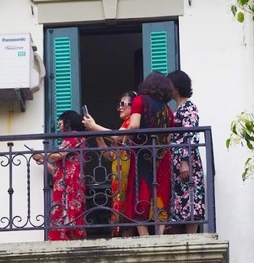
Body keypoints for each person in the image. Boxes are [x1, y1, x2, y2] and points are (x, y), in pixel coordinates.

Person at [125, 73, 175, 236]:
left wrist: (125, 136)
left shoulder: (140, 100)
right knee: (160, 192)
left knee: (140, 190)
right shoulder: (168, 110)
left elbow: (134, 125)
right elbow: (169, 137)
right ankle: (160, 234)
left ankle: (144, 235)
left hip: (142, 153)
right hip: (162, 155)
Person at [83, 91, 136, 236]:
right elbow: (109, 155)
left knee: (127, 210)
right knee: (122, 210)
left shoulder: (132, 121)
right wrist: (97, 135)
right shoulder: (125, 123)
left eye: (123, 103)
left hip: (128, 174)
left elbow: (116, 137)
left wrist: (95, 126)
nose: (119, 107)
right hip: (118, 176)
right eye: (119, 104)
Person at [32, 110, 87, 241]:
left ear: (68, 122)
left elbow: (58, 155)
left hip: (70, 184)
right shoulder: (75, 139)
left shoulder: (73, 137)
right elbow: (57, 171)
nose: (59, 127)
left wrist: (42, 154)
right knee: (68, 216)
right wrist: (44, 161)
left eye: (61, 123)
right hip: (66, 183)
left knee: (69, 216)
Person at [168, 70, 205, 233]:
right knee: (180, 198)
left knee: (190, 197)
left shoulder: (189, 108)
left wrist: (184, 163)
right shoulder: (180, 109)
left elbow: (190, 135)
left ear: (176, 86)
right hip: (178, 161)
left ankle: (192, 235)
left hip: (186, 161)